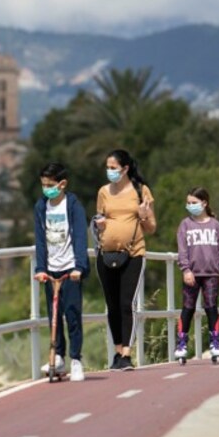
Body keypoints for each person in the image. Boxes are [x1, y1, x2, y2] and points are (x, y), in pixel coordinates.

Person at [93, 149, 156, 371]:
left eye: (113, 168)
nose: (109, 172)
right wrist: (99, 225)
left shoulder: (141, 191)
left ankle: (127, 354)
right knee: (112, 306)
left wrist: (142, 215)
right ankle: (117, 352)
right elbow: (98, 220)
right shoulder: (103, 192)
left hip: (133, 253)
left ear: (125, 169)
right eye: (107, 168)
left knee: (126, 303)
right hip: (105, 254)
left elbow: (151, 228)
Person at [33, 162, 90, 382]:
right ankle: (57, 356)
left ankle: (76, 359)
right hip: (50, 270)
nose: (46, 189)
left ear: (62, 184)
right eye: (43, 185)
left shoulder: (73, 206)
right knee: (54, 316)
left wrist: (79, 267)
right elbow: (40, 240)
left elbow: (80, 238)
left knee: (72, 315)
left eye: (50, 185)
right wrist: (40, 268)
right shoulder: (41, 207)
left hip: (70, 269)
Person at [174, 187, 219, 362]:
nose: (190, 206)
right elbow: (182, 250)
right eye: (188, 203)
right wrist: (185, 269)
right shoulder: (185, 225)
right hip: (192, 274)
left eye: (194, 203)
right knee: (188, 308)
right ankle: (182, 343)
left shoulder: (216, 226)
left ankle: (215, 342)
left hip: (212, 273)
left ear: (204, 203)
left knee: (211, 307)